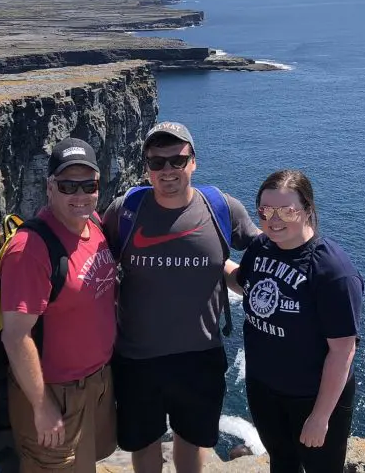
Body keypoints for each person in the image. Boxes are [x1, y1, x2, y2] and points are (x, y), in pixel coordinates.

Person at [101, 122, 259, 473]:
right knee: (144, 443)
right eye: (157, 163)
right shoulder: (125, 210)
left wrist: (311, 260)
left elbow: (267, 246)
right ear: (146, 168)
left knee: (193, 439)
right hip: (137, 356)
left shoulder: (220, 206)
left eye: (177, 160)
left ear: (193, 162)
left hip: (199, 355)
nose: (167, 170)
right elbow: (91, 257)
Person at [224, 169, 363, 473]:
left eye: (287, 210)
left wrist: (320, 417)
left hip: (311, 398)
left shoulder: (332, 270)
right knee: (282, 464)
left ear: (307, 210)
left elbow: (343, 351)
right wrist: (209, 256)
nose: (274, 219)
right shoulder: (261, 248)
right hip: (264, 390)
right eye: (265, 210)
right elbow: (242, 282)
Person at [1, 138, 118, 472]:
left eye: (88, 185)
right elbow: (15, 336)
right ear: (50, 186)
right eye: (68, 185)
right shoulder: (30, 249)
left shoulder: (93, 224)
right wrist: (41, 406)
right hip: (55, 390)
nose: (79, 196)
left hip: (96, 382)